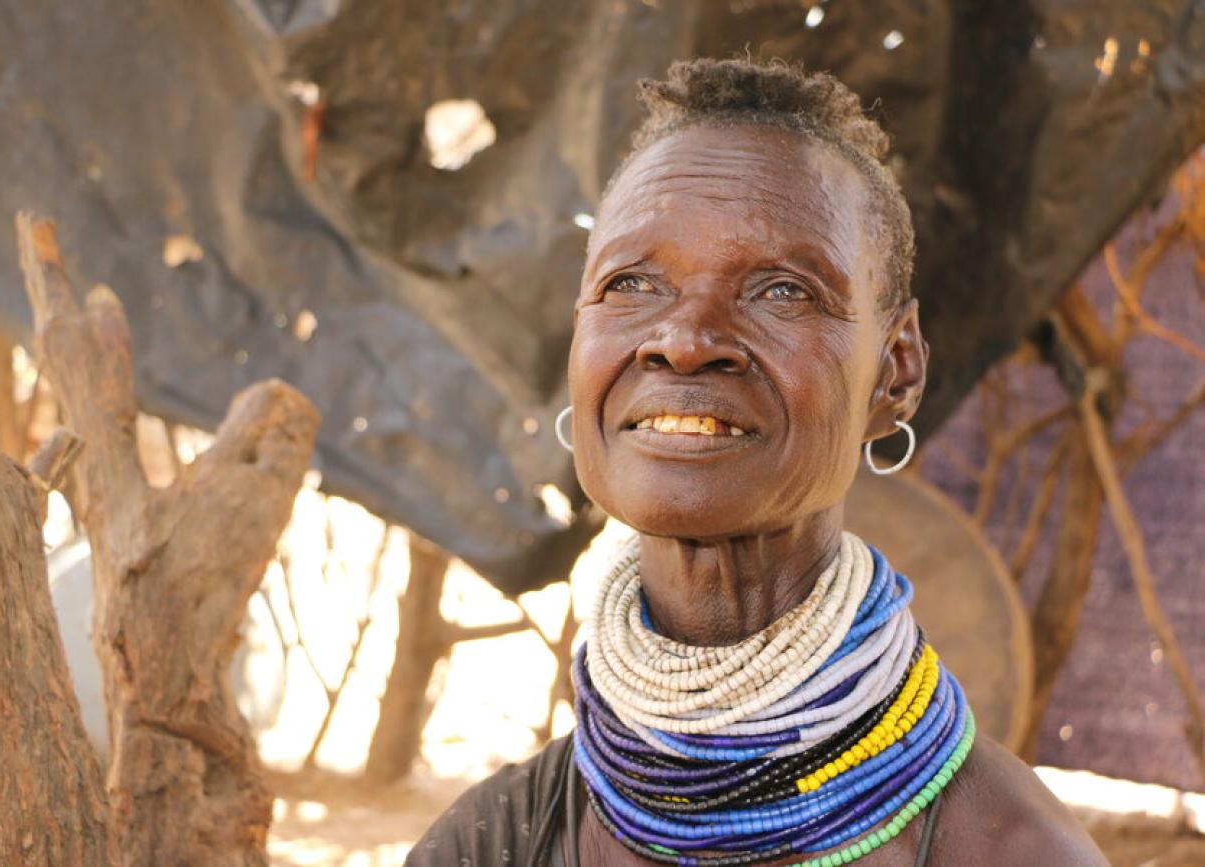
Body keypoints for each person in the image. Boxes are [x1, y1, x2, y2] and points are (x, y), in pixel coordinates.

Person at [406, 58, 1107, 867]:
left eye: (781, 291)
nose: (684, 338)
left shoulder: (1009, 853)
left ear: (895, 372)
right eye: (632, 282)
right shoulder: (491, 846)